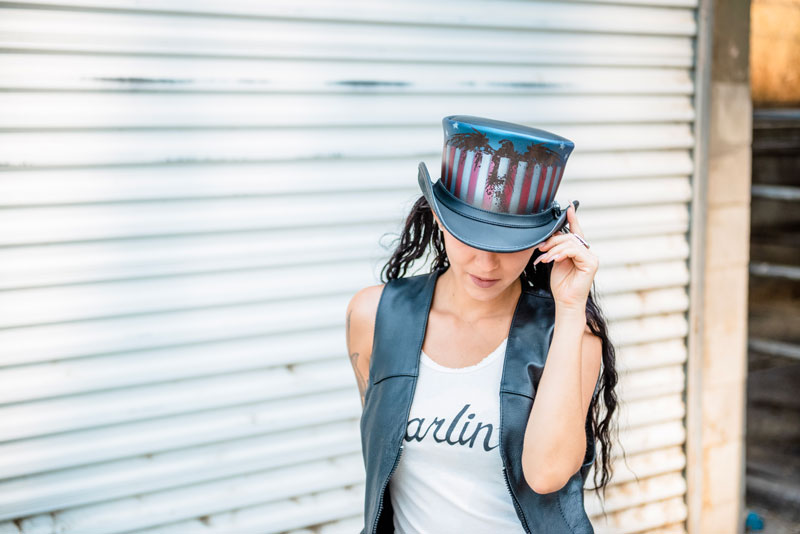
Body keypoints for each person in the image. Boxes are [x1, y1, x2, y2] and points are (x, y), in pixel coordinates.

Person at [346, 115, 619, 534]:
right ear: (439, 217)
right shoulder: (375, 317)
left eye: (510, 243)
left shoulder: (570, 336)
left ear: (544, 238)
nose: (487, 263)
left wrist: (568, 309)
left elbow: (546, 474)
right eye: (470, 236)